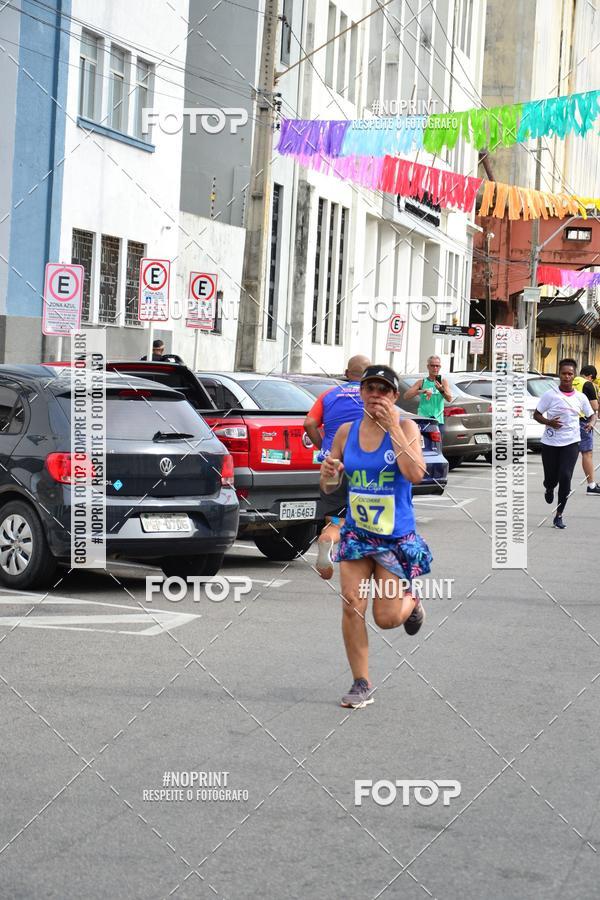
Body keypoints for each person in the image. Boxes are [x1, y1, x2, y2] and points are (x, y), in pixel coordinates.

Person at [320, 365, 433, 709]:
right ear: (361, 393)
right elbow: (328, 487)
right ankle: (361, 683)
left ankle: (412, 604)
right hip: (357, 534)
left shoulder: (407, 427)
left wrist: (392, 430)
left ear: (395, 397)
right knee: (352, 606)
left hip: (394, 538)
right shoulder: (345, 432)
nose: (376, 395)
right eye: (370, 388)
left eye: (383, 390)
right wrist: (329, 473)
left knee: (386, 618)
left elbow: (415, 473)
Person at [304, 355, 371, 579]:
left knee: (335, 516)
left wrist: (323, 445)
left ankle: (329, 537)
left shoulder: (328, 395)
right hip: (364, 464)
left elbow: (309, 424)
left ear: (346, 372)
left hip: (332, 463)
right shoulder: (370, 396)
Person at [533, 358, 597, 528]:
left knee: (566, 476)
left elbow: (592, 414)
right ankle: (549, 487)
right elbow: (537, 414)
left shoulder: (581, 397)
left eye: (570, 374)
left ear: (574, 375)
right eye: (563, 373)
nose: (567, 377)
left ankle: (559, 515)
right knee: (551, 478)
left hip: (571, 442)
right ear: (559, 375)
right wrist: (549, 422)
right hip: (550, 442)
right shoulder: (550, 395)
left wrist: (591, 424)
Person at [402, 355, 453, 434]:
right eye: (432, 366)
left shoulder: (443, 382)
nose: (435, 368)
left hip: (438, 420)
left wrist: (440, 389)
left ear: (440, 367)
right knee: (422, 445)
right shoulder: (421, 382)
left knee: (437, 445)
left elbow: (449, 399)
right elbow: (406, 396)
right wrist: (421, 391)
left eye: (437, 366)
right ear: (428, 367)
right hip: (423, 420)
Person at [573, 365, 600, 495]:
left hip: (568, 421)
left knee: (567, 453)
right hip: (584, 421)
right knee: (587, 453)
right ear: (590, 376)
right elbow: (594, 406)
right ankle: (591, 486)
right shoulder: (588, 384)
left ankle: (559, 483)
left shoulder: (571, 380)